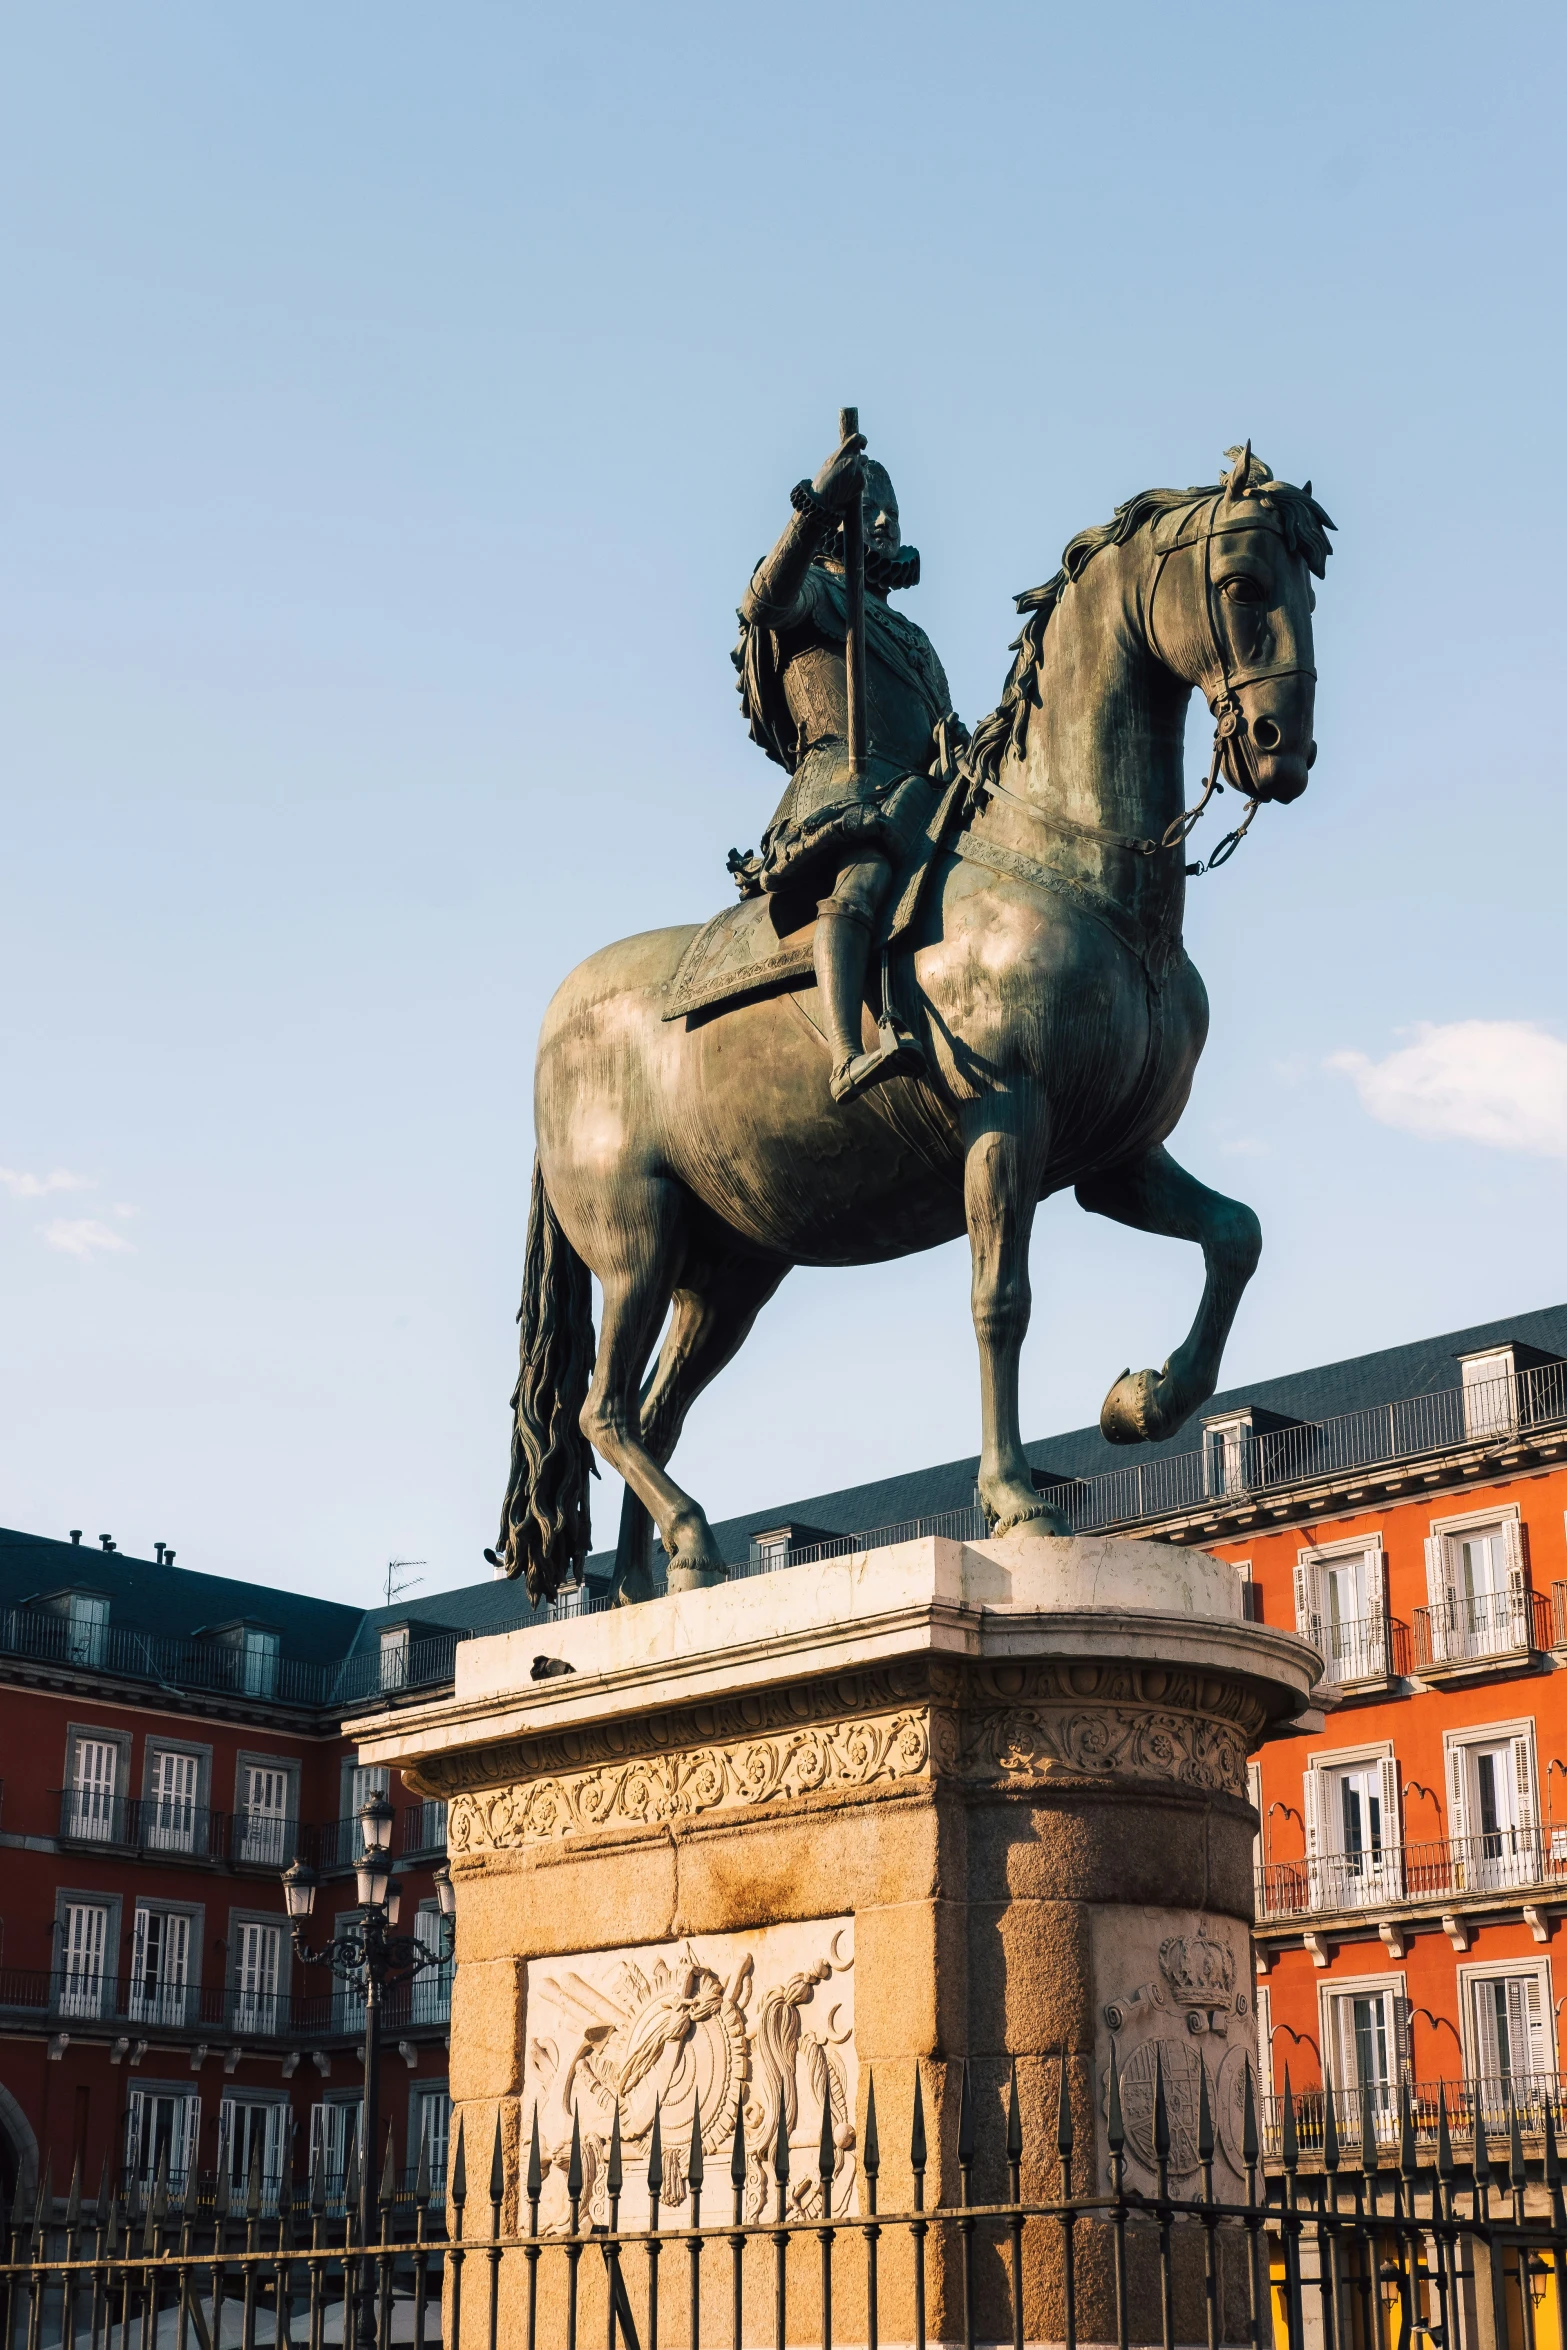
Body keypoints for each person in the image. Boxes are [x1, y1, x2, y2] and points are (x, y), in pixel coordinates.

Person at [731, 430, 959, 1102]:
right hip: (842, 788)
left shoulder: (911, 636)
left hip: (917, 793)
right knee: (860, 881)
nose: (886, 521)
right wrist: (812, 510)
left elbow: (933, 722)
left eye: (894, 512)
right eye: (872, 509)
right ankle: (846, 1054)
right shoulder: (818, 596)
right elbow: (763, 604)